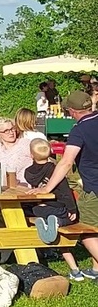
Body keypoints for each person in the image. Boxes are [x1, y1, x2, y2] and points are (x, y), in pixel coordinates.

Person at [35, 90, 98, 279]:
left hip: (94, 186)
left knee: (86, 230)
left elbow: (66, 162)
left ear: (72, 111)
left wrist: (47, 188)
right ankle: (96, 270)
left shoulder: (79, 130)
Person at [23, 139, 83, 280]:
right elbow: (65, 191)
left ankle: (48, 228)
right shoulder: (55, 170)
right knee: (69, 219)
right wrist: (72, 209)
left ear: (31, 155)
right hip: (57, 207)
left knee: (29, 213)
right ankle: (75, 271)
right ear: (50, 151)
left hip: (40, 208)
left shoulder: (29, 172)